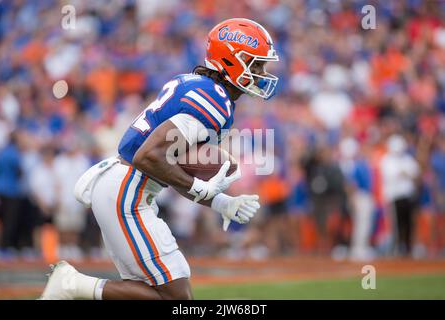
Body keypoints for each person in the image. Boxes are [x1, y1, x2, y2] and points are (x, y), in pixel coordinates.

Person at [40, 18, 278, 300]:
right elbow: (148, 156)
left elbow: (167, 162)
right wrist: (196, 187)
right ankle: (71, 285)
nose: (262, 72)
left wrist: (219, 201)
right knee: (176, 300)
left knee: (160, 294)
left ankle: (73, 285)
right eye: (256, 63)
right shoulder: (214, 100)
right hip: (128, 193)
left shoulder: (199, 86)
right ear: (231, 59)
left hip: (126, 188)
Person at [380, 134, 420, 256]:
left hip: (407, 196)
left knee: (408, 223)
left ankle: (408, 248)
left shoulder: (408, 159)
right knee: (396, 225)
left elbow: (415, 173)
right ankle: (396, 248)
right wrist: (404, 174)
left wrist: (404, 174)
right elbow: (393, 175)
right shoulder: (387, 160)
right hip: (394, 197)